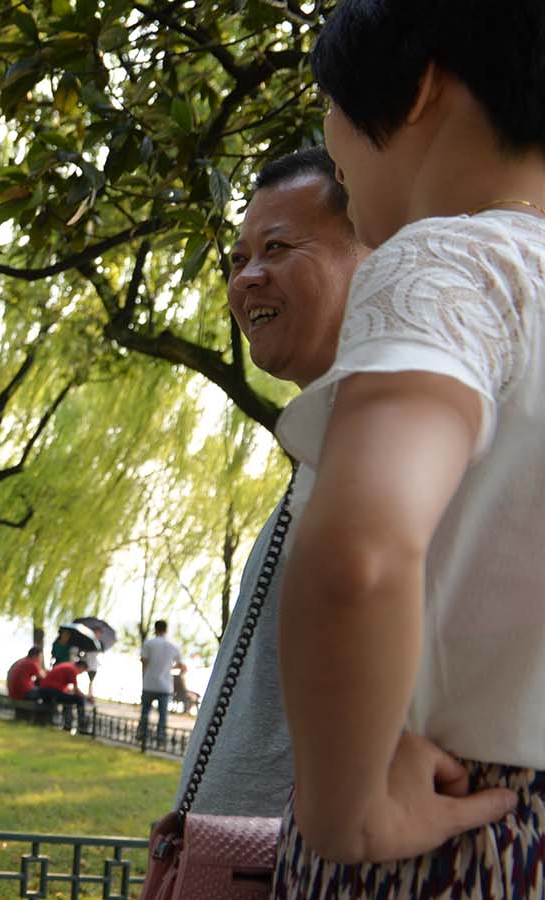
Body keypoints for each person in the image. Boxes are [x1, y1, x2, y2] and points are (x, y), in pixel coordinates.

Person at [270, 1, 545, 889]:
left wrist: (344, 806)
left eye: (330, 106)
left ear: (420, 84)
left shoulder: (452, 262)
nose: (332, 150)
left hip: (443, 831)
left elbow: (362, 551)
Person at [172, 145, 372, 817]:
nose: (247, 278)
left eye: (278, 248)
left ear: (372, 251)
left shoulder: (398, 460)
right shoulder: (327, 451)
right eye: (237, 260)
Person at [138, 620, 183, 749]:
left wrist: (144, 676)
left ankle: (143, 735)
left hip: (149, 683)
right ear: (166, 630)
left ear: (155, 629)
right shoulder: (172, 646)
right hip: (165, 685)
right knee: (163, 715)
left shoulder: (149, 644)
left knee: (145, 712)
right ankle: (160, 738)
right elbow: (182, 666)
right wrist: (169, 668)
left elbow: (144, 662)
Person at [29, 659, 87, 733]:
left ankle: (67, 725)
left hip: (45, 690)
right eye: (82, 671)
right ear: (81, 667)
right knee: (80, 699)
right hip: (51, 691)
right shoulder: (72, 669)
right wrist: (86, 697)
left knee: (68, 700)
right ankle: (82, 727)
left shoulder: (67, 665)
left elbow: (63, 686)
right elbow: (76, 691)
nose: (81, 673)